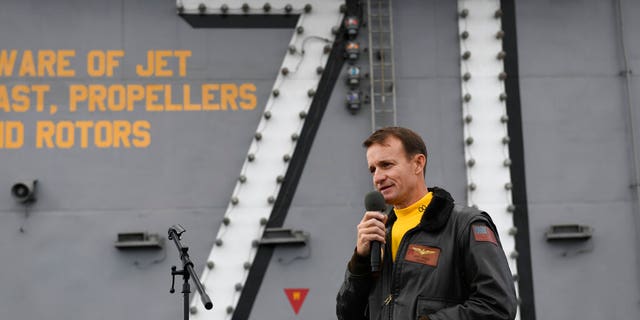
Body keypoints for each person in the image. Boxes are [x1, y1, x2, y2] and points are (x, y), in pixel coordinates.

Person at [336, 126, 517, 320]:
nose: (378, 177)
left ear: (417, 164)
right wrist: (360, 262)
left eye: (386, 165)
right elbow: (347, 315)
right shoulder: (379, 234)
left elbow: (497, 306)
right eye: (373, 169)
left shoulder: (465, 225)